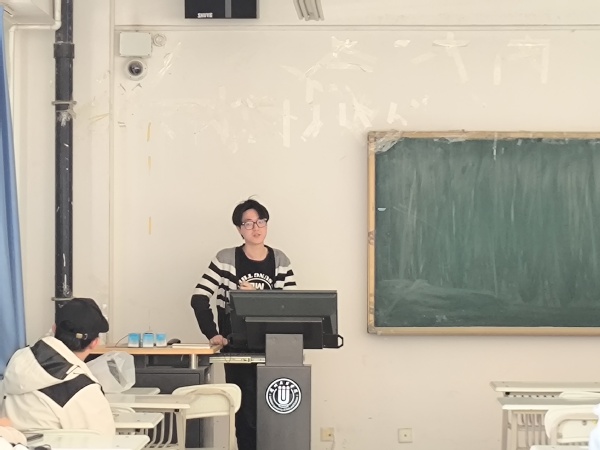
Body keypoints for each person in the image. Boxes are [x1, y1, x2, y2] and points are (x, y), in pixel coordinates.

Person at [191, 198, 297, 450]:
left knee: (276, 412)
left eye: (260, 221)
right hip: (238, 349)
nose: (255, 228)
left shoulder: (280, 260)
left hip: (275, 348)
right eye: (248, 223)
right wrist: (213, 334)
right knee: (246, 414)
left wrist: (258, 296)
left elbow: (291, 305)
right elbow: (199, 298)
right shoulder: (226, 259)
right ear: (239, 229)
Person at [1, 298, 115, 435]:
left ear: (54, 329)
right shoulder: (83, 390)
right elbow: (105, 440)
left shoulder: (16, 363)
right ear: (95, 343)